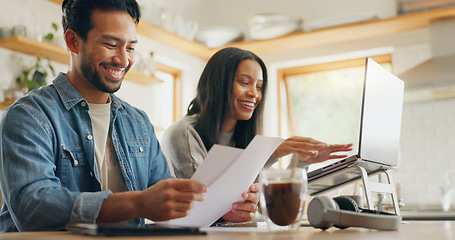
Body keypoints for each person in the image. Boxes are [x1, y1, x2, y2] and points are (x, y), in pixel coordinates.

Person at [0, 0, 257, 232]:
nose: (123, 59)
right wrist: (139, 203)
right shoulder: (29, 116)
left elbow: (169, 208)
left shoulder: (138, 123)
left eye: (131, 48)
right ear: (73, 41)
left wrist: (220, 209)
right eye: (111, 45)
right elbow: (31, 208)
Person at [162, 47, 353, 179]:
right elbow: (204, 199)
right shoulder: (182, 134)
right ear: (217, 84)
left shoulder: (245, 139)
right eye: (244, 83)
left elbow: (266, 207)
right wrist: (270, 153)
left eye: (259, 86)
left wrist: (300, 161)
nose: (254, 93)